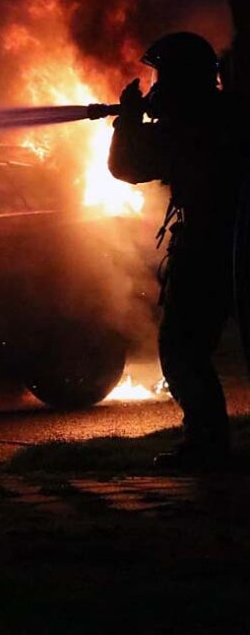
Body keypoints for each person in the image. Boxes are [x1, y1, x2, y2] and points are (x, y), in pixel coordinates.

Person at [109, 31, 247, 470]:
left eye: (161, 78)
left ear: (183, 81)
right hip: (227, 245)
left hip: (208, 250)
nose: (155, 89)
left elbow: (126, 166)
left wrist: (127, 120)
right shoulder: (223, 116)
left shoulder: (192, 128)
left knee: (182, 347)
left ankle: (206, 446)